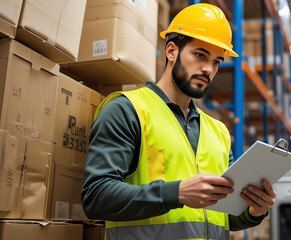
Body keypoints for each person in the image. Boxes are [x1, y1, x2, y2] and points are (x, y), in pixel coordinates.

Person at [81, 3, 276, 240]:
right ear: (171, 51)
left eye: (216, 61)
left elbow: (224, 216)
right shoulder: (127, 110)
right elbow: (96, 196)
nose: (208, 69)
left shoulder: (219, 131)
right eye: (200, 55)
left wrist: (255, 209)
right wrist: (177, 193)